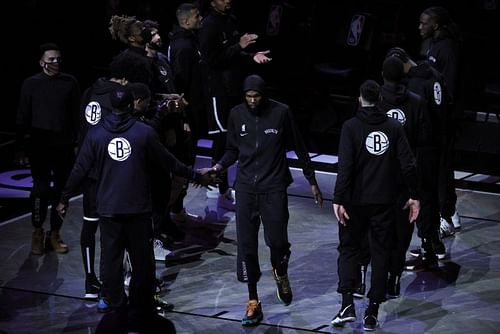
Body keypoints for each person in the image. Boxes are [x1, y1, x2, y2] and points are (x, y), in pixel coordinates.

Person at [56, 85, 214, 333]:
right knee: (143, 264)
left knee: (111, 260)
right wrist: (197, 175)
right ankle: (141, 309)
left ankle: (115, 307)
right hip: (138, 210)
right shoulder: (143, 133)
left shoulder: (96, 135)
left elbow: (79, 169)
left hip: (109, 209)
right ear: (131, 105)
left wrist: (64, 197)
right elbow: (169, 162)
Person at [210, 74, 323, 326]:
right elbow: (231, 150)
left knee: (279, 243)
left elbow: (300, 146)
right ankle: (253, 300)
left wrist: (312, 180)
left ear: (264, 95)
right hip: (247, 190)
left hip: (274, 188)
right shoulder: (236, 114)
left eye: (256, 96)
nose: (252, 101)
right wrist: (218, 167)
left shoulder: (281, 113)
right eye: (248, 96)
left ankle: (280, 271)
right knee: (247, 247)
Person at [332, 80, 419, 331]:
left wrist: (338, 198)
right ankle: (372, 312)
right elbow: (409, 164)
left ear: (359, 99)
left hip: (354, 202)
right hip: (383, 202)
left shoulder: (350, 127)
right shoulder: (393, 127)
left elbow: (345, 167)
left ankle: (347, 303)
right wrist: (414, 194)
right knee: (380, 253)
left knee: (349, 249)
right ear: (379, 98)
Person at [78, 52, 152, 302]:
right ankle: (121, 284)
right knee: (120, 235)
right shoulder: (119, 99)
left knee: (90, 227)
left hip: (90, 173)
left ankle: (91, 282)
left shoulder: (89, 92)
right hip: (113, 177)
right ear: (124, 79)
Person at [199, 0, 272, 210]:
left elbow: (233, 55)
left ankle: (224, 188)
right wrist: (238, 46)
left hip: (232, 89)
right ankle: (216, 188)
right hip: (217, 91)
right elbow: (212, 59)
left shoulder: (230, 20)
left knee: (233, 139)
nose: (228, 1)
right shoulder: (209, 25)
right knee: (221, 140)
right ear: (213, 2)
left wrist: (250, 56)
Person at [385, 47, 451, 270]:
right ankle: (433, 244)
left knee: (421, 197)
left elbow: (416, 123)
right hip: (437, 145)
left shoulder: (413, 87)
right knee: (429, 194)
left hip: (422, 149)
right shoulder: (433, 73)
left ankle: (428, 249)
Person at [16, 42, 80, 255]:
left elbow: (75, 115)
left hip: (64, 147)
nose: (55, 63)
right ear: (41, 62)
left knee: (62, 193)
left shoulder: (69, 82)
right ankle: (37, 232)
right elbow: (23, 116)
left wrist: (77, 143)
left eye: (58, 59)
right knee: (40, 190)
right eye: (51, 59)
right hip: (40, 147)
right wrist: (21, 147)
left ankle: (54, 232)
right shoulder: (31, 84)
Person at [419, 6, 462, 233]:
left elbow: (450, 90)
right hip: (434, 117)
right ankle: (451, 211)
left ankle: (444, 216)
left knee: (442, 168)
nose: (420, 27)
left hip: (444, 120)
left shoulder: (448, 49)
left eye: (424, 23)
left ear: (435, 25)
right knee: (439, 167)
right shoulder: (433, 45)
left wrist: (441, 118)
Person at [168, 3, 208, 223]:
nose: (200, 18)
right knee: (182, 162)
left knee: (188, 160)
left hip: (194, 112)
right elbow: (179, 83)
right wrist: (182, 118)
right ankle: (171, 211)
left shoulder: (191, 41)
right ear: (185, 21)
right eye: (196, 16)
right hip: (186, 115)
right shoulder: (183, 46)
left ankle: (176, 208)